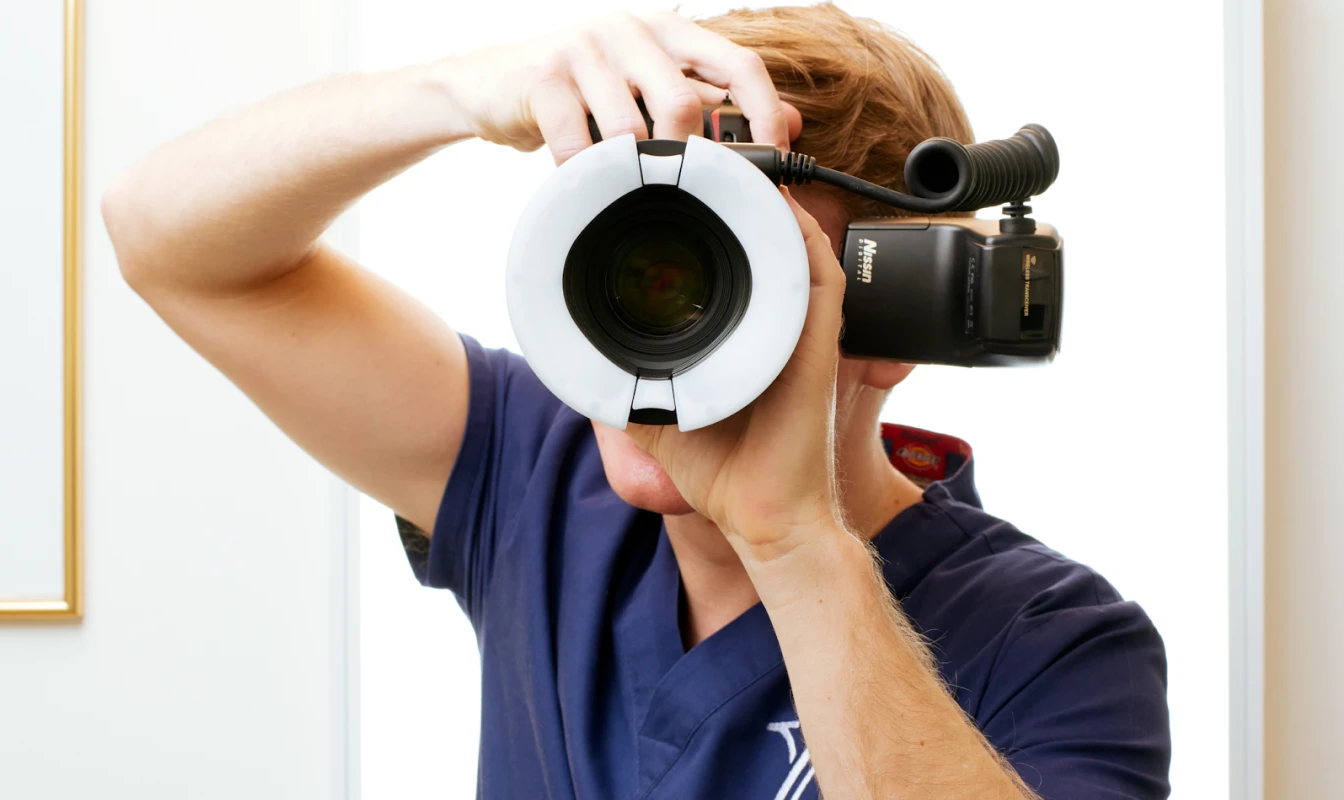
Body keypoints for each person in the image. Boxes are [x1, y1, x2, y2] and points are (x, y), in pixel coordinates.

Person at [102, 4, 1171, 798]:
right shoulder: (534, 466)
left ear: (896, 327)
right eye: (647, 256)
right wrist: (459, 94)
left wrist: (792, 540)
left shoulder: (1059, 642)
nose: (671, 328)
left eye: (748, 271)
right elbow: (167, 240)